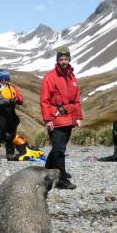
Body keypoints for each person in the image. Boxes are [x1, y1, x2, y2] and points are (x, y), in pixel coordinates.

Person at [40, 46, 83, 190]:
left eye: (66, 59)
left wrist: (78, 117)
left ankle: (46, 172)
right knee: (59, 150)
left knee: (58, 149)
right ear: (57, 60)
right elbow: (45, 100)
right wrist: (48, 119)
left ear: (69, 59)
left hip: (69, 118)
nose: (63, 61)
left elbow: (76, 99)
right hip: (56, 118)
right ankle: (62, 180)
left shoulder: (72, 77)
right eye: (61, 59)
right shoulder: (50, 77)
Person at [0, 70, 24, 161]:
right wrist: (11, 100)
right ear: (0, 79)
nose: (7, 81)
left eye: (8, 79)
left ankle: (10, 154)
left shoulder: (12, 87)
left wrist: (18, 99)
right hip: (0, 115)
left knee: (11, 135)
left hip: (11, 114)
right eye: (5, 79)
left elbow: (20, 98)